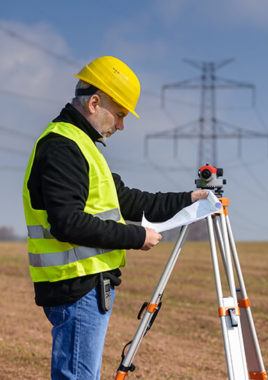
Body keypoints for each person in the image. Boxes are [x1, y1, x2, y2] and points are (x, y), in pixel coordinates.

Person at [22, 56, 209, 379]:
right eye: (120, 114)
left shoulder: (84, 146)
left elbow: (130, 201)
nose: (122, 125)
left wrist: (189, 200)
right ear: (94, 103)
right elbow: (68, 222)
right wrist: (137, 237)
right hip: (76, 286)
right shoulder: (63, 147)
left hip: (86, 285)